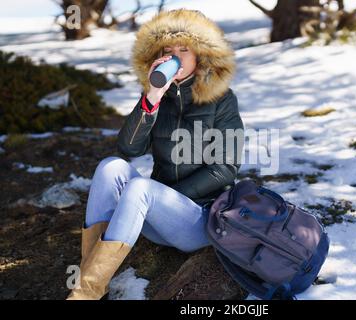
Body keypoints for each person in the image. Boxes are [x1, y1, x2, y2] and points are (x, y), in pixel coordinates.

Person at [67, 8, 244, 300]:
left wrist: (164, 194)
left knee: (140, 188)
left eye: (184, 49)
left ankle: (83, 295)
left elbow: (225, 169)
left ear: (201, 54)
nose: (174, 56)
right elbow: (129, 149)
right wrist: (152, 99)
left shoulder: (222, 100)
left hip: (199, 221)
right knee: (110, 166)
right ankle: (90, 279)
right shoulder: (156, 95)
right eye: (167, 50)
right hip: (154, 214)